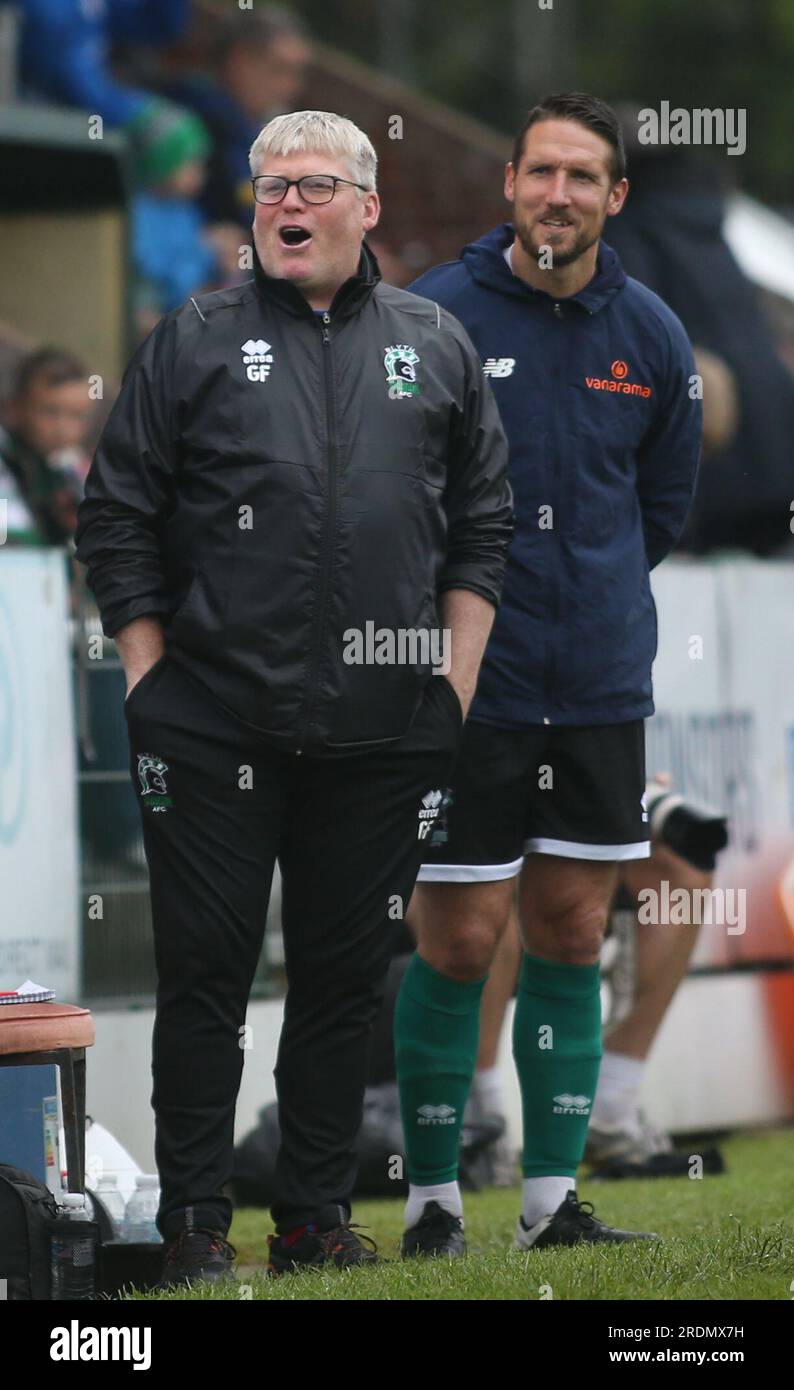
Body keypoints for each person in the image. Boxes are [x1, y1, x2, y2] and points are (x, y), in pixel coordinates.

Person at [74, 109, 513, 1285]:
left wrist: (451, 690)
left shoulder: (435, 340)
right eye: (267, 186)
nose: (284, 204)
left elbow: (481, 529)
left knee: (339, 983)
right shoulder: (195, 337)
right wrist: (152, 674)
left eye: (313, 184)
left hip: (385, 732)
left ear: (366, 207)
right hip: (209, 726)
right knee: (205, 982)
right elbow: (114, 516)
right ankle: (195, 1227)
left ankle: (314, 1219)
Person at [394, 92, 702, 1257]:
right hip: (466, 686)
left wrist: (592, 597)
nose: (558, 196)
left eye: (583, 177)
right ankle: (428, 1203)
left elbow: (656, 508)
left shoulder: (653, 334)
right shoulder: (430, 316)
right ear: (508, 185)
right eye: (540, 174)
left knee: (572, 927)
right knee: (460, 939)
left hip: (598, 688)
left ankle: (546, 1204)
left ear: (613, 196)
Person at [0, 347, 90, 547]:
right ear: (15, 408)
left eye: (76, 416)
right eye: (50, 412)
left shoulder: (74, 471)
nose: (63, 429)